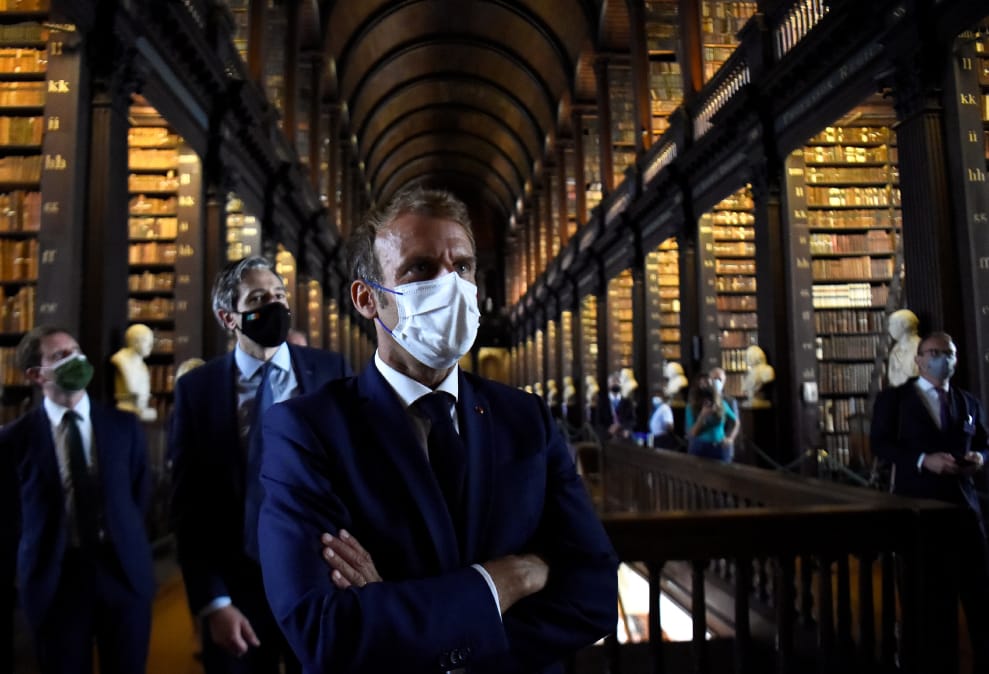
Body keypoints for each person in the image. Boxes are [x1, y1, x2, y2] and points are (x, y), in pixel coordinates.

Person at [257, 187, 617, 672]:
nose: (450, 285)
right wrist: (509, 579)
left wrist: (405, 618)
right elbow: (325, 630)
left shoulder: (526, 419)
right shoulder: (307, 432)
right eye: (421, 268)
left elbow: (595, 595)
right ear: (367, 298)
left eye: (462, 266)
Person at [169, 256, 350, 674]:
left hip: (319, 581)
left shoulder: (330, 371)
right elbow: (188, 505)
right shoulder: (197, 390)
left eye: (279, 295)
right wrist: (213, 602)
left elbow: (354, 478)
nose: (275, 305)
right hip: (236, 590)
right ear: (228, 317)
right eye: (258, 299)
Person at [1, 326, 155, 673]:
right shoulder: (14, 440)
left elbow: (138, 495)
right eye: (60, 355)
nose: (76, 359)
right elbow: (8, 520)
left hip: (122, 572)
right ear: (36, 374)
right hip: (56, 580)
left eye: (76, 350)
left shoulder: (123, 426)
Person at [870, 331, 989, 670]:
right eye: (934, 353)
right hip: (918, 508)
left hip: (964, 509)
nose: (942, 359)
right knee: (928, 599)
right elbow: (881, 444)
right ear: (919, 359)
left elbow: (984, 442)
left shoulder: (967, 401)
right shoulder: (895, 400)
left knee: (979, 595)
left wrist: (979, 458)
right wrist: (923, 460)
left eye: (948, 353)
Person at [110, 322, 158, 421]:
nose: (151, 346)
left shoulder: (143, 367)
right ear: (135, 341)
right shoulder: (121, 360)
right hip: (125, 410)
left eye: (152, 342)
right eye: (147, 341)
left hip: (138, 410)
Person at [685, 373, 737, 462]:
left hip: (720, 448)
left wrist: (731, 438)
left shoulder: (721, 404)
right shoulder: (691, 407)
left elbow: (736, 422)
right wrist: (702, 416)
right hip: (700, 448)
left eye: (707, 383)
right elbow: (692, 433)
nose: (704, 387)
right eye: (701, 384)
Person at [709, 367, 741, 458]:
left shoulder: (730, 401)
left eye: (720, 379)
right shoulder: (705, 399)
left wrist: (729, 438)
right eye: (714, 379)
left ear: (724, 381)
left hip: (724, 444)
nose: (717, 382)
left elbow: (734, 422)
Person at [886, 308, 920, 387]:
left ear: (905, 324)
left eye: (892, 324)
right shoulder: (895, 349)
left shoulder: (919, 347)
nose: (889, 328)